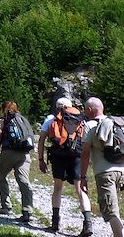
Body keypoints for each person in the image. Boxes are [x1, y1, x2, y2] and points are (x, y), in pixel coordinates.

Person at [38, 97, 95, 236]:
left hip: (59, 157)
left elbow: (41, 140)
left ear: (57, 107)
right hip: (76, 156)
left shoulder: (52, 119)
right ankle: (88, 223)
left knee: (58, 188)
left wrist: (40, 159)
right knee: (80, 189)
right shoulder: (80, 120)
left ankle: (55, 223)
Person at [80, 97, 124, 237]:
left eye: (85, 110)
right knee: (115, 208)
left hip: (104, 173)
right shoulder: (116, 124)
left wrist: (83, 176)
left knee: (111, 211)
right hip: (122, 170)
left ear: (89, 110)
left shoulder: (90, 126)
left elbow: (85, 153)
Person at [0, 101, 34, 223]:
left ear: (3, 109)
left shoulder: (1, 121)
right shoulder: (22, 120)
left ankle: (6, 206)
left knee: (2, 177)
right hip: (25, 154)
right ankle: (27, 210)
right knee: (24, 181)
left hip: (8, 153)